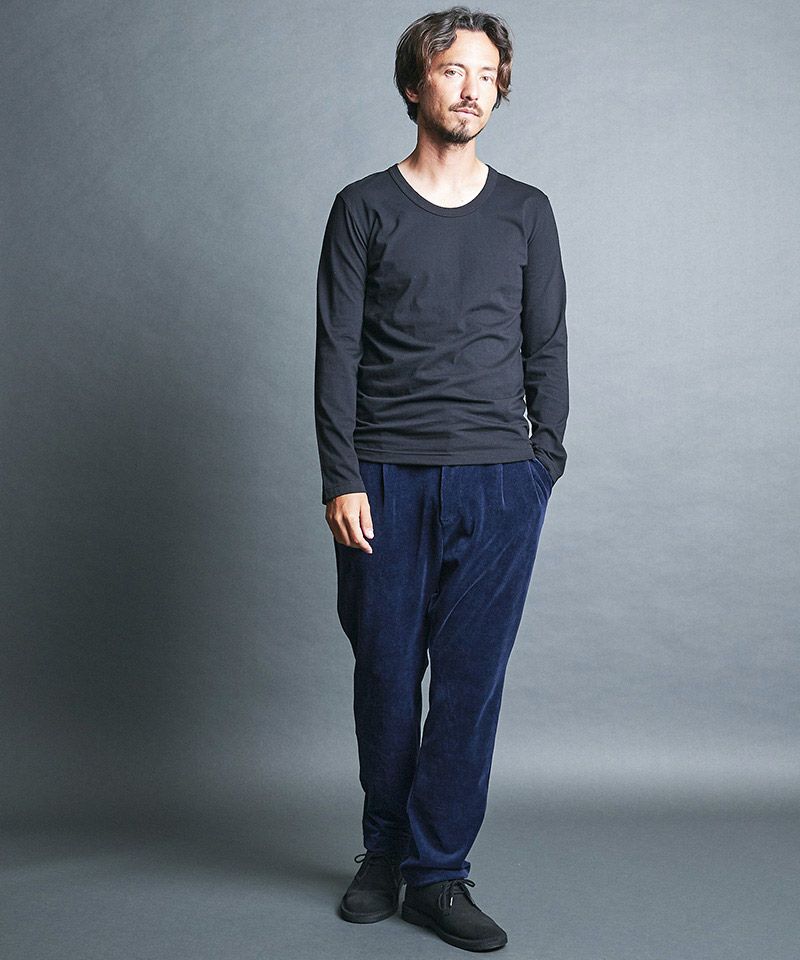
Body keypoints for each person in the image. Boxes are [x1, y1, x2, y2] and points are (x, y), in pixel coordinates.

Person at [314, 6, 568, 952]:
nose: (471, 88)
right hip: (382, 479)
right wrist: (341, 475)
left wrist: (541, 467)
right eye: (453, 70)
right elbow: (336, 352)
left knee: (469, 686)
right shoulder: (363, 208)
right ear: (415, 83)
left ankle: (438, 874)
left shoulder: (527, 211)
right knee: (385, 676)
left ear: (500, 90)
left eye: (487, 74)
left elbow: (547, 348)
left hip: (499, 484)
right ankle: (383, 853)